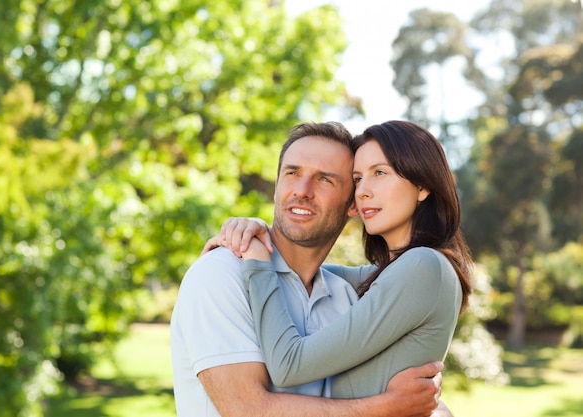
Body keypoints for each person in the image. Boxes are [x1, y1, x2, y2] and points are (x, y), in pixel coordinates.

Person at [171, 121, 450, 417]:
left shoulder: (346, 297)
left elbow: (410, 397)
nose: (301, 191)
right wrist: (383, 408)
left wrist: (428, 403)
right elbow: (246, 410)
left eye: (325, 179)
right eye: (292, 173)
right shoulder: (221, 274)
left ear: (352, 204)